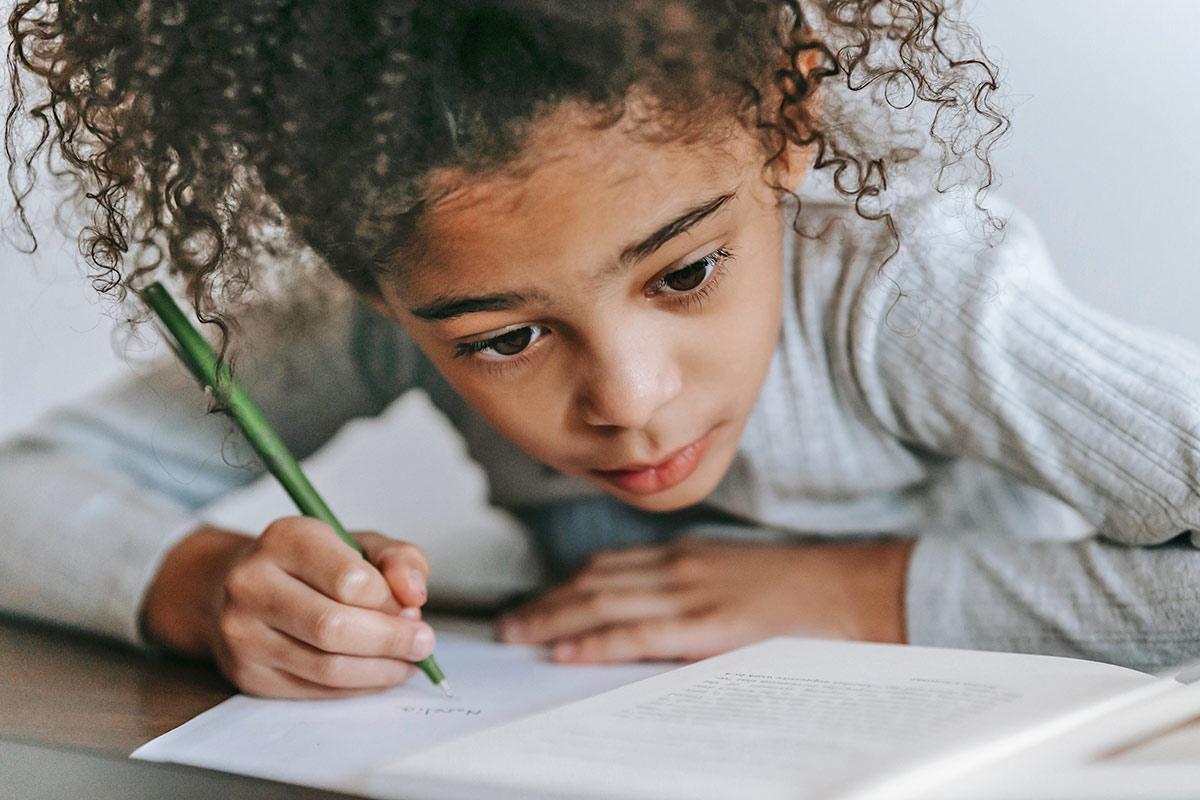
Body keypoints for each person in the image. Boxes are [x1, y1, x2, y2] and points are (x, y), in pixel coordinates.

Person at [4, 0, 1200, 701]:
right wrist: (205, 588)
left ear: (788, 118)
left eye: (684, 271)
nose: (629, 398)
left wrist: (866, 591)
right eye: (507, 338)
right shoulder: (390, 307)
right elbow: (22, 492)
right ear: (365, 275)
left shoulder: (905, 292)